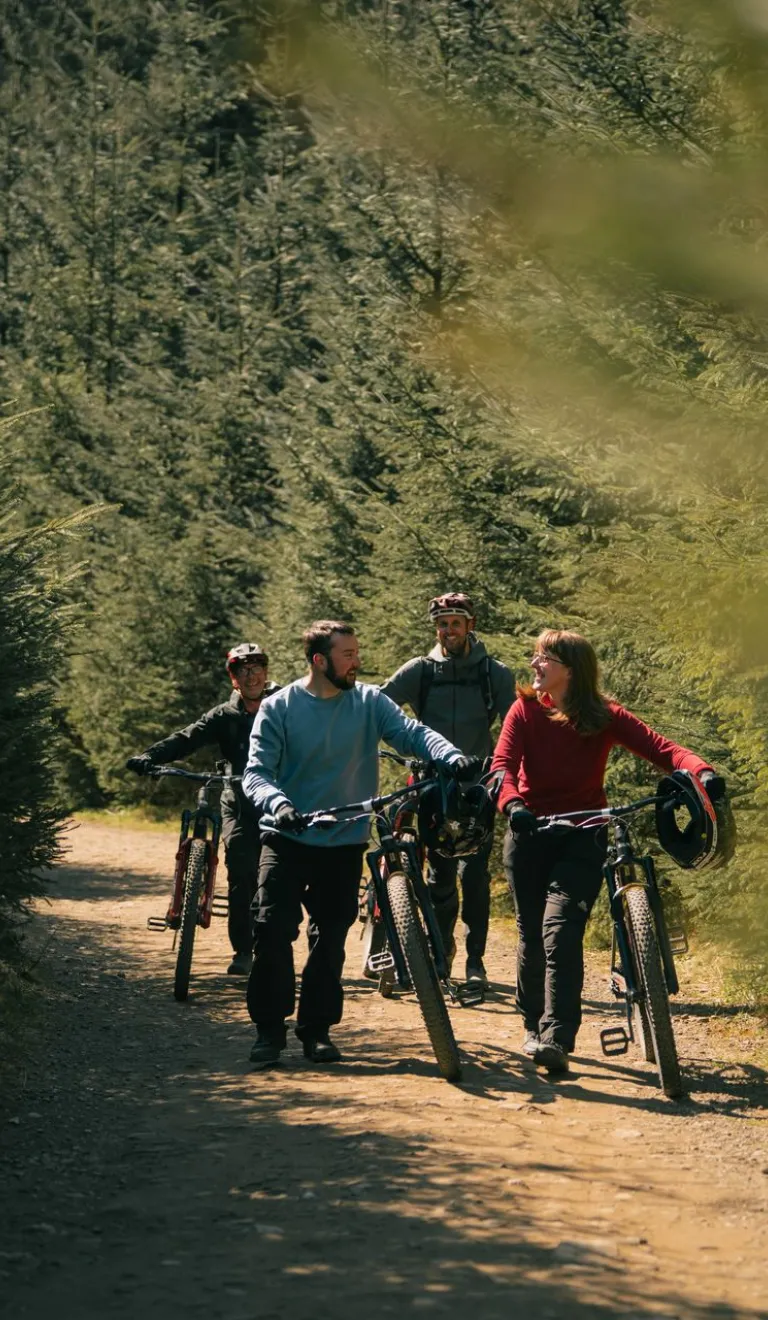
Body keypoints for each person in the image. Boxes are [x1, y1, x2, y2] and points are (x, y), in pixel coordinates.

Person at [242, 619, 479, 1069]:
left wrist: (451, 756)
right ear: (319, 660)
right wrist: (278, 803)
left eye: (356, 653)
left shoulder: (370, 702)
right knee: (273, 933)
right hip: (288, 837)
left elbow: (413, 734)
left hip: (344, 840)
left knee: (330, 939)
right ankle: (269, 1031)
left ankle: (316, 1031)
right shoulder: (280, 707)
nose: (357, 662)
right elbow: (256, 773)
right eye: (347, 655)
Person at [491, 629, 726, 1075]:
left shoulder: (604, 716)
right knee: (531, 936)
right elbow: (501, 766)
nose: (535, 664)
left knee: (559, 930)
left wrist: (704, 773)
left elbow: (665, 751)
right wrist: (513, 804)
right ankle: (532, 1025)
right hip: (530, 833)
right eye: (536, 656)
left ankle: (557, 1038)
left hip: (584, 835)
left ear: (571, 671)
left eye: (545, 658)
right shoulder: (523, 711)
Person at [380, 592, 514, 984]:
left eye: (456, 623)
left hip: (479, 786)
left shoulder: (494, 673)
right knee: (439, 876)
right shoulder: (420, 670)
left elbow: (514, 725)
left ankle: (476, 961)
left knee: (474, 876)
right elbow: (379, 708)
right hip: (432, 785)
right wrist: (406, 747)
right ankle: (443, 953)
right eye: (442, 623)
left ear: (470, 625)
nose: (448, 630)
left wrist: (503, 768)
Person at [126, 643, 281, 976]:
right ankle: (244, 951)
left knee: (278, 877)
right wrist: (150, 756)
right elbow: (187, 738)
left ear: (266, 673)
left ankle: (276, 947)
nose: (251, 676)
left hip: (280, 804)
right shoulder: (223, 715)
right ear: (234, 678)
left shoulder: (285, 705)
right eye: (243, 670)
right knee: (241, 873)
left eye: (257, 669)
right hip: (238, 803)